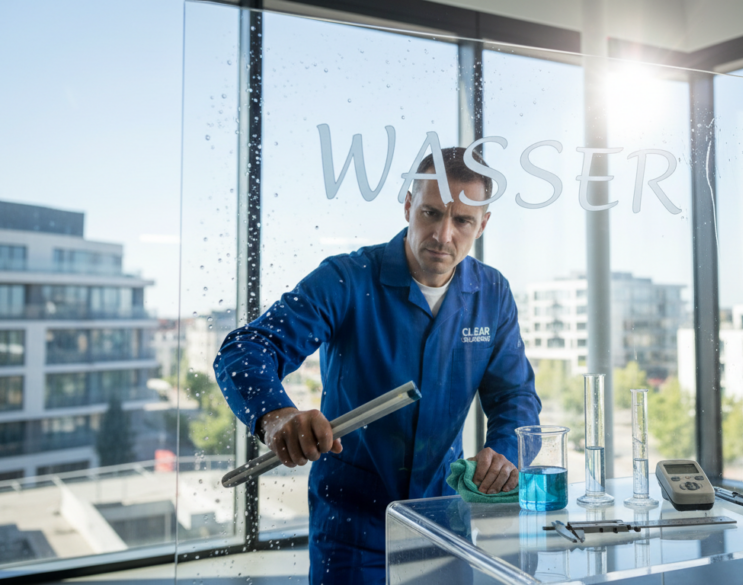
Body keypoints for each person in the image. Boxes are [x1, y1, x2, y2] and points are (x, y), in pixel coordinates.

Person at [214, 147, 541, 584]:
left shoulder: (492, 293)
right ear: (408, 205)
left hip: (443, 517)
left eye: (462, 220)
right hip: (351, 523)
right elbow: (247, 348)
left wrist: (504, 453)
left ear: (482, 225)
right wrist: (277, 417)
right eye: (430, 213)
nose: (443, 235)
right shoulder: (347, 278)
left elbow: (514, 396)